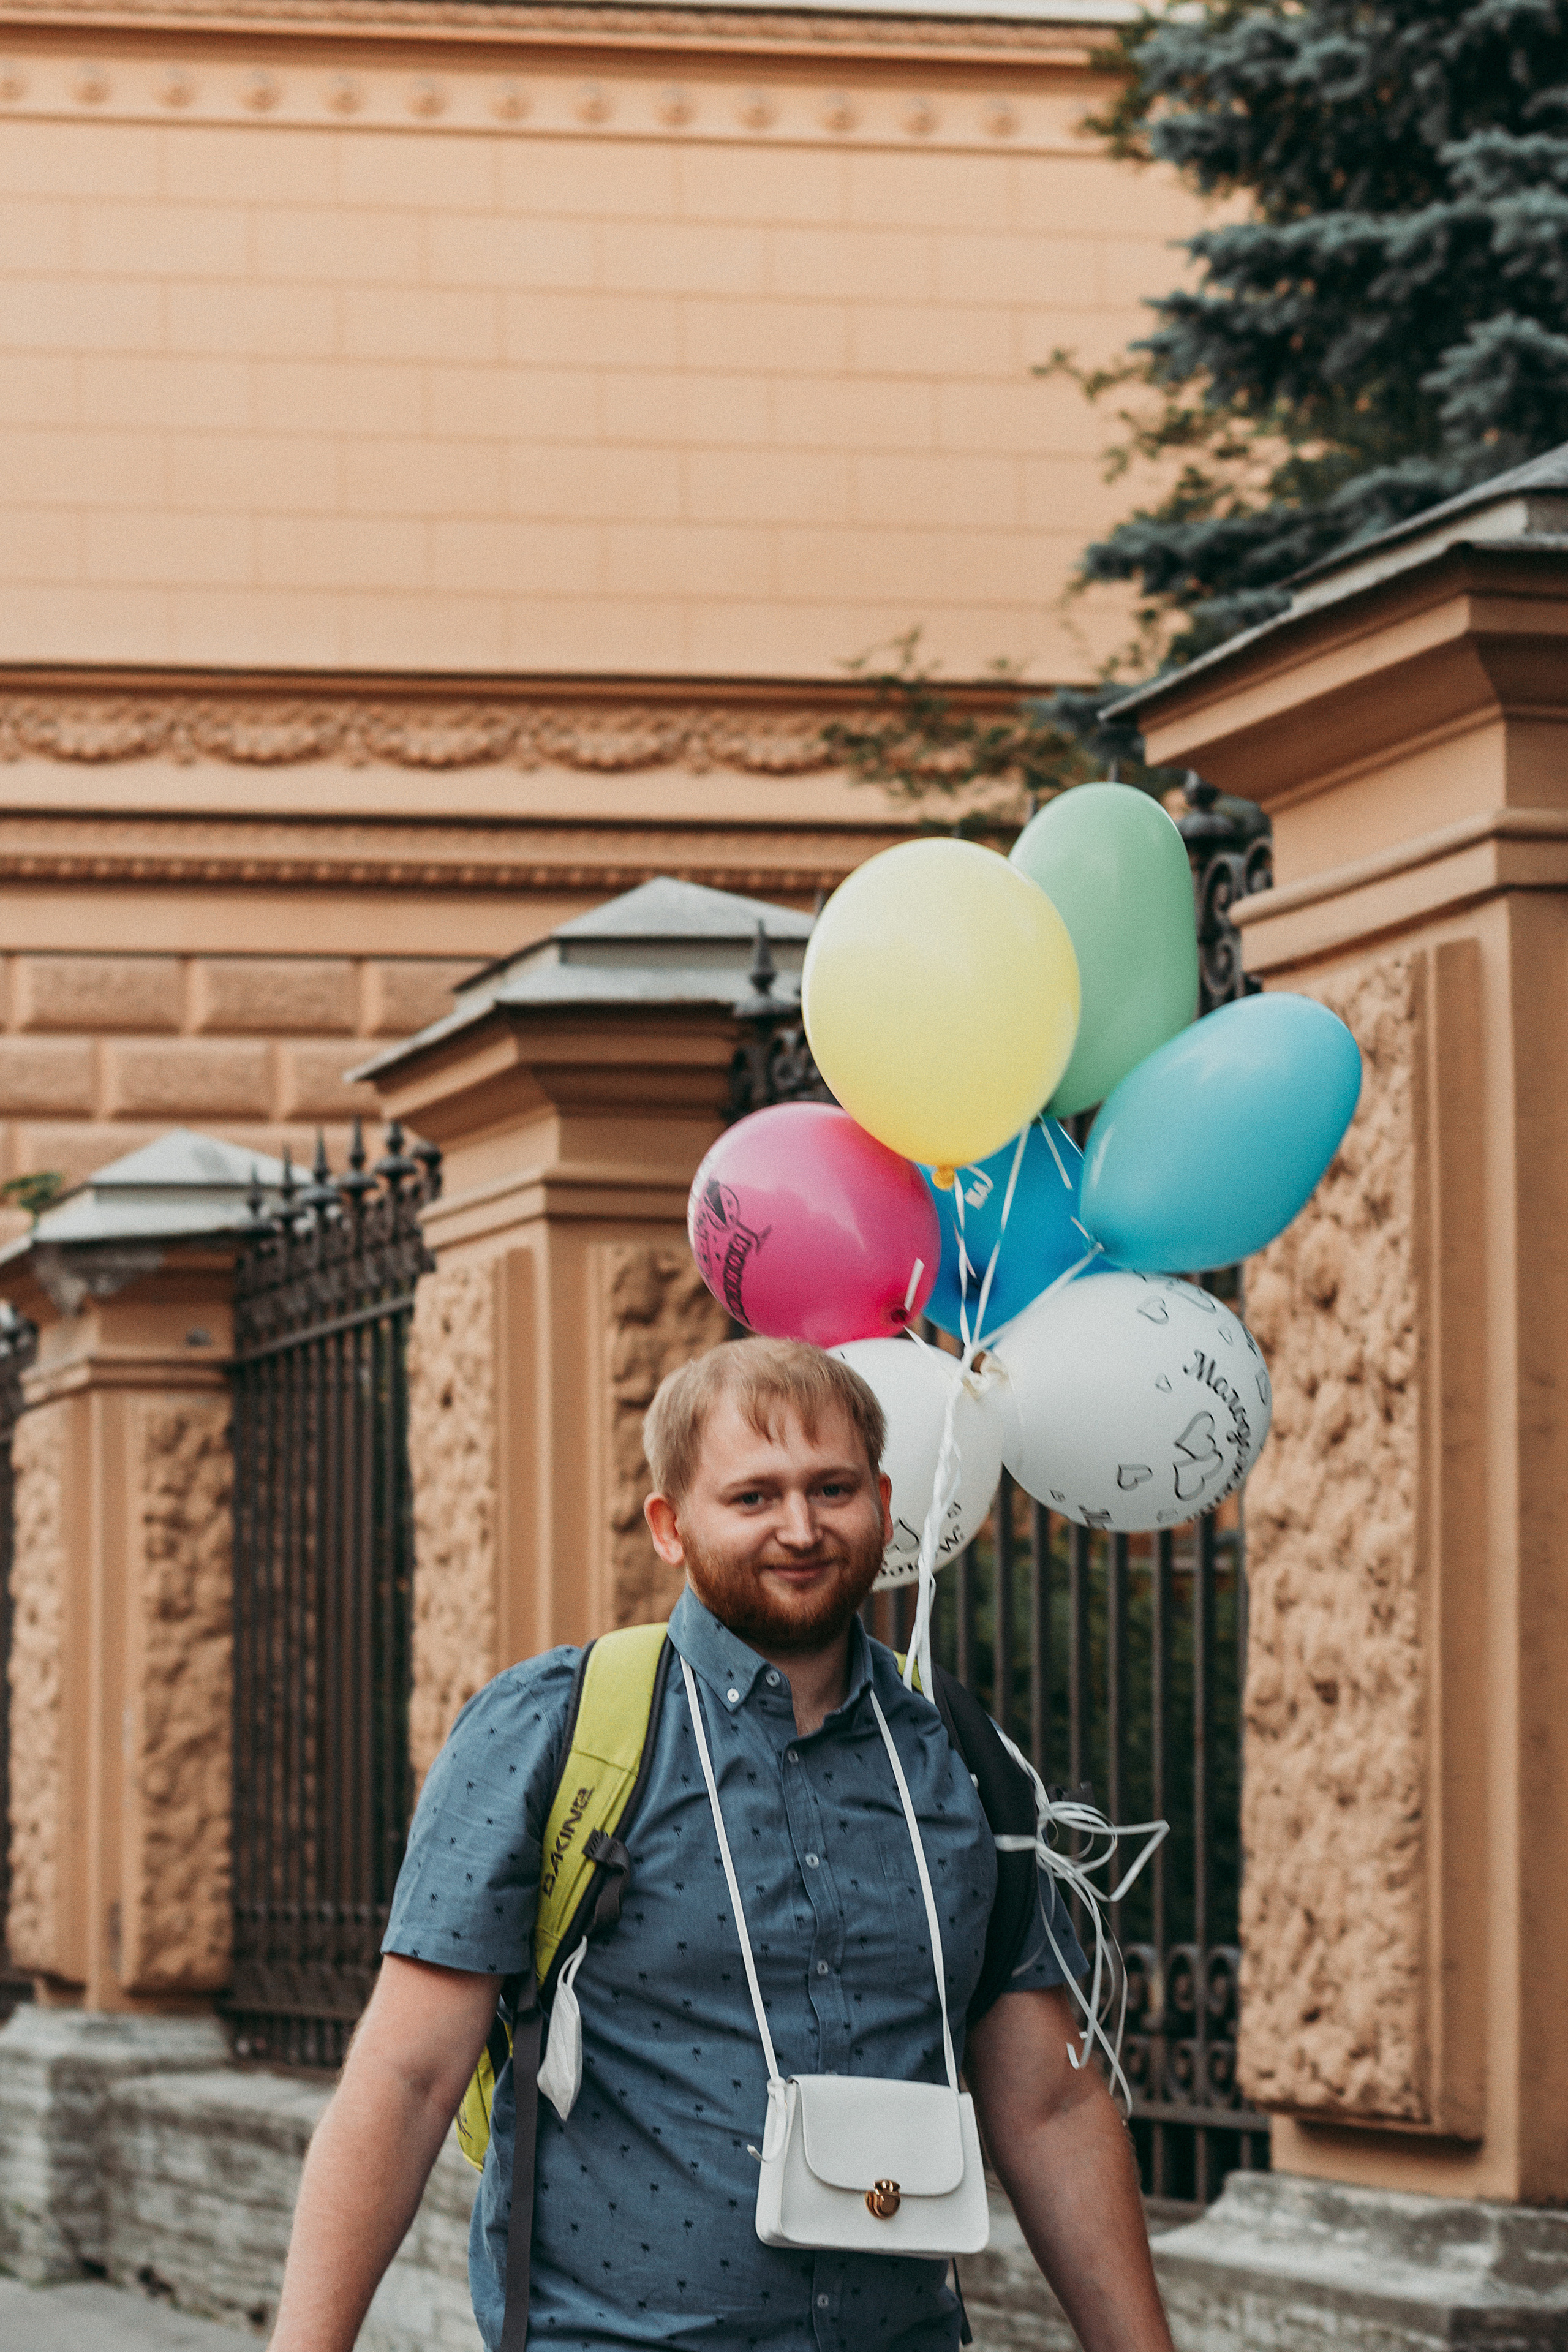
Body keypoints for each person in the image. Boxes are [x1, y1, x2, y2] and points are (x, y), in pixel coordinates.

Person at [269, 1336, 1177, 2352]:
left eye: (832, 1489)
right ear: (671, 1527)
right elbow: (404, 2078)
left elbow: (1049, 2105)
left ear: (883, 1503)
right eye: (754, 1497)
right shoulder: (555, 1729)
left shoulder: (956, 1755)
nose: (802, 1528)